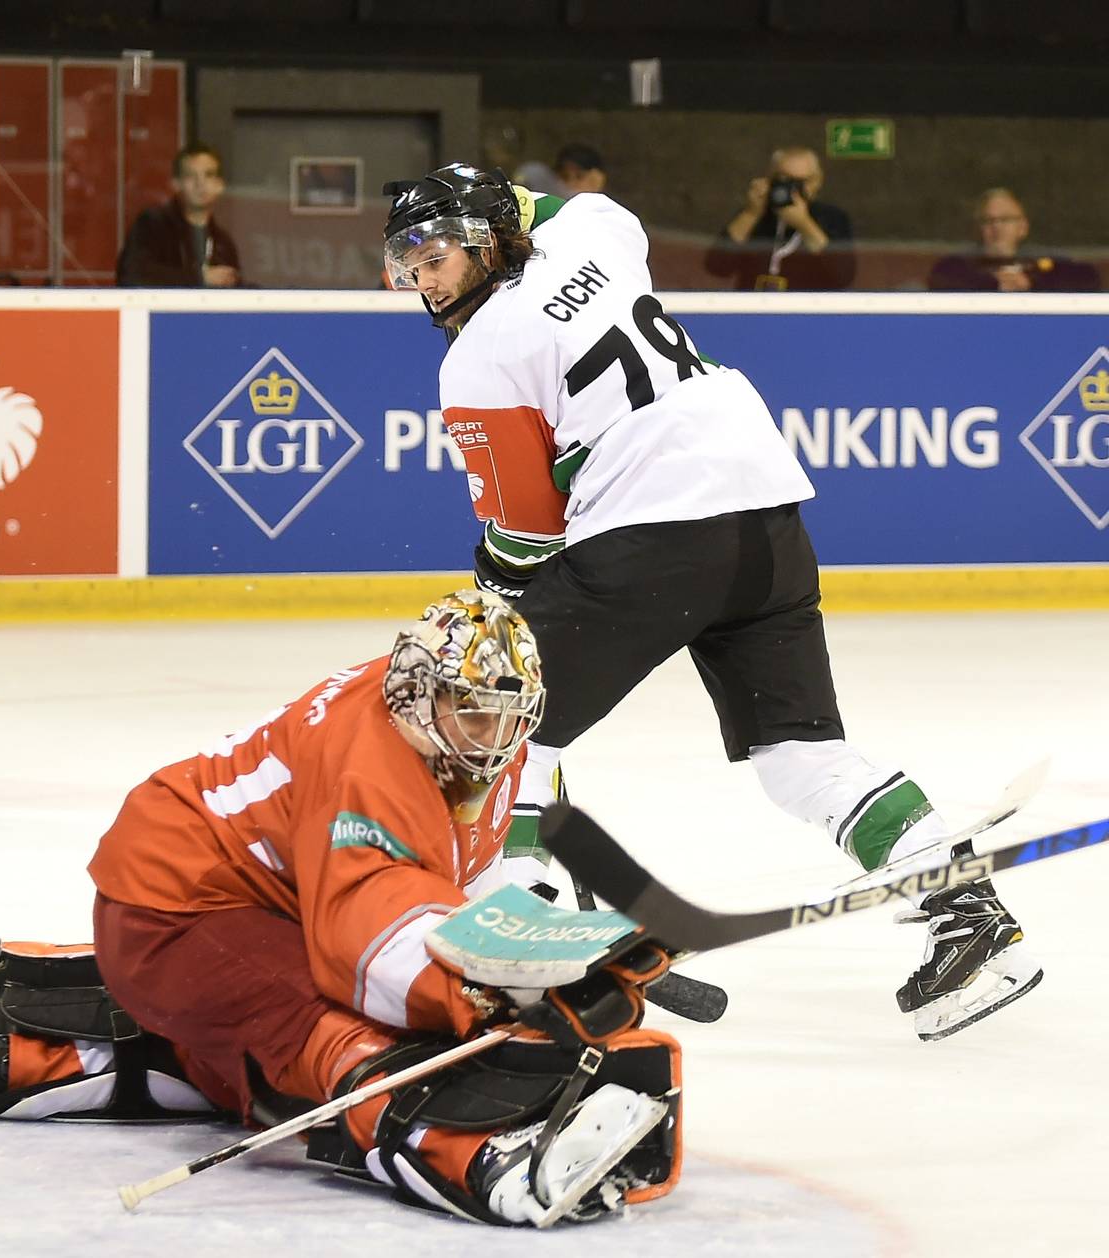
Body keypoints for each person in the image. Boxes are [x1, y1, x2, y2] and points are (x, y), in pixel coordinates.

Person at [380, 162, 1040, 1041]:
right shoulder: (595, 236)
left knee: (504, 730)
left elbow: (527, 533)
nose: (423, 281)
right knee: (801, 755)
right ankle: (974, 924)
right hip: (766, 517)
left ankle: (523, 957)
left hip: (651, 532)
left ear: (490, 243)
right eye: (409, 262)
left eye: (438, 257)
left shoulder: (479, 359)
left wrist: (494, 616)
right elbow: (571, 207)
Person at [0, 589, 685, 1226]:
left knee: (305, 1022)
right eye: (472, 713)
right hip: (176, 911)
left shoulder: (445, 727)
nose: (492, 737)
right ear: (423, 691)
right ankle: (470, 1149)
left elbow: (440, 882)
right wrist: (501, 988)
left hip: (254, 903)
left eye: (505, 715)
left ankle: (55, 1041)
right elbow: (367, 938)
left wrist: (551, 950)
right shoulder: (371, 760)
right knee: (341, 1036)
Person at [706, 145, 855, 291]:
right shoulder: (756, 212)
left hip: (807, 309)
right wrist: (750, 214)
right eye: (785, 179)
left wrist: (805, 225)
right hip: (754, 308)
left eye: (802, 182)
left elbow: (843, 276)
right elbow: (717, 267)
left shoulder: (831, 217)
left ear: (817, 182)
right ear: (769, 178)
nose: (793, 189)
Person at [117, 143, 242, 288]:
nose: (200, 184)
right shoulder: (153, 225)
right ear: (176, 184)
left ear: (220, 185)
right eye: (191, 176)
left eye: (209, 175)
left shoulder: (223, 243)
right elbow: (132, 275)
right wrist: (200, 278)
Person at [926, 188, 1099, 292]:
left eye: (1006, 219)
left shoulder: (1044, 262)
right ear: (979, 228)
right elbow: (941, 281)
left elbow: (1088, 279)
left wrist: (1029, 284)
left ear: (1023, 227)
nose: (997, 227)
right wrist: (995, 285)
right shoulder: (958, 266)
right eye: (988, 220)